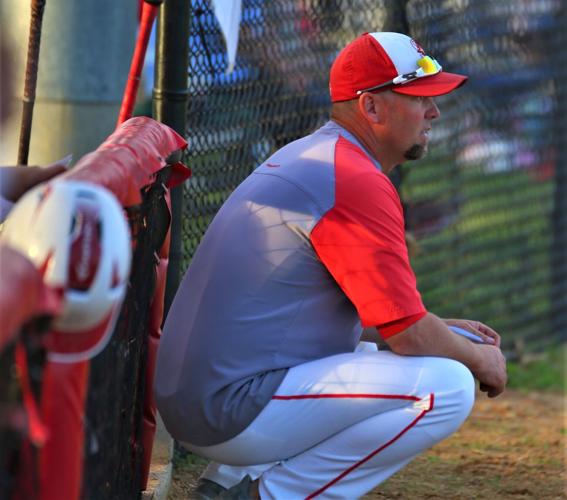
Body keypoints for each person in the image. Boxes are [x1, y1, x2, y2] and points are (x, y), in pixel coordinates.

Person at [154, 32, 507, 499]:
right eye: (419, 98)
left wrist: (442, 330)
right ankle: (272, 494)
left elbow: (346, 318)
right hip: (226, 408)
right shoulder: (353, 178)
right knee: (446, 386)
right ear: (372, 108)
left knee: (390, 354)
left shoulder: (321, 155)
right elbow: (408, 334)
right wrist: (480, 358)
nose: (434, 112)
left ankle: (225, 483)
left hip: (206, 397)